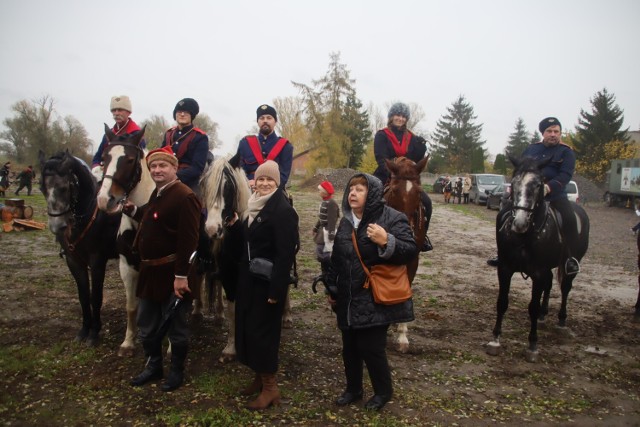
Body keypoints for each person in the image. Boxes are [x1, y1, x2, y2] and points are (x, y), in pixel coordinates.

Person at [326, 173, 417, 412]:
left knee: (371, 347)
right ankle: (353, 389)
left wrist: (387, 240)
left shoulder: (392, 217)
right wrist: (331, 286)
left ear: (373, 194)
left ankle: (383, 392)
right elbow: (337, 257)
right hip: (348, 295)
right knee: (350, 347)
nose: (353, 193)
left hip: (375, 296)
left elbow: (410, 249)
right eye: (351, 189)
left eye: (360, 189)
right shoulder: (346, 220)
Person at [124, 145, 202, 392]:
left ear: (174, 168)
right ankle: (154, 366)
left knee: (176, 328)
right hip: (150, 274)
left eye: (163, 166)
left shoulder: (185, 196)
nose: (157, 170)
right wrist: (134, 211)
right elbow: (152, 217)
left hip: (173, 275)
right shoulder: (157, 194)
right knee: (147, 325)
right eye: (153, 166)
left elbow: (190, 242)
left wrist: (181, 277)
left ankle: (176, 371)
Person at [233, 160, 299, 410]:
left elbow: (285, 255)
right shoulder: (252, 206)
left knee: (263, 335)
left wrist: (277, 291)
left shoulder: (282, 210)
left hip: (268, 283)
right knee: (249, 329)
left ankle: (271, 388)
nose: (264, 183)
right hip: (250, 280)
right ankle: (259, 379)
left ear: (277, 183)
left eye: (269, 180)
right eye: (260, 179)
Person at [487, 117, 580, 275]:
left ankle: (569, 259)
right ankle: (502, 254)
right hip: (529, 196)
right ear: (542, 133)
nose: (553, 134)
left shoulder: (566, 152)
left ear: (560, 133)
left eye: (556, 131)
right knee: (503, 215)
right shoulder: (531, 149)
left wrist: (549, 187)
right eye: (549, 131)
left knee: (570, 219)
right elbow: (520, 170)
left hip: (554, 196)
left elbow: (565, 175)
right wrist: (515, 187)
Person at [373, 102, 432, 251]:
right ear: (391, 116)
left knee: (427, 202)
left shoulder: (412, 137)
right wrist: (393, 173)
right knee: (370, 199)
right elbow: (380, 158)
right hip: (386, 172)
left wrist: (421, 147)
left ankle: (422, 236)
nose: (400, 118)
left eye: (403, 116)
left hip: (406, 177)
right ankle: (365, 230)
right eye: (397, 115)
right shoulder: (382, 135)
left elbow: (416, 161)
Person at [235, 104, 293, 190]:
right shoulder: (245, 143)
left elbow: (283, 176)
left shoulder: (286, 146)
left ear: (275, 122)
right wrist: (247, 183)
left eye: (269, 118)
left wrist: (264, 186)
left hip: (274, 192)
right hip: (248, 190)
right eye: (261, 118)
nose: (265, 121)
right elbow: (239, 170)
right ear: (257, 121)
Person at [161, 98, 209, 196]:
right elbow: (160, 156)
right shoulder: (168, 134)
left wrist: (174, 177)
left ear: (192, 115)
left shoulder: (200, 137)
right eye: (179, 112)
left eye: (186, 112)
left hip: (188, 182)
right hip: (164, 178)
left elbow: (197, 168)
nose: (182, 114)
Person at [91, 95, 145, 180]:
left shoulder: (136, 134)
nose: (116, 113)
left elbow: (140, 162)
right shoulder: (108, 135)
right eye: (113, 110)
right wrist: (96, 168)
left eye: (120, 110)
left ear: (128, 112)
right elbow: (97, 158)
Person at [312, 180, 340, 275]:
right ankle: (324, 272)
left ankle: (329, 273)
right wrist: (315, 228)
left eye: (320, 190)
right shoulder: (324, 202)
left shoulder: (331, 203)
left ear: (325, 192)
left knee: (326, 253)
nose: (319, 192)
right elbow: (321, 218)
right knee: (321, 252)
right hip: (322, 232)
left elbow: (332, 220)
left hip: (328, 232)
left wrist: (331, 235)